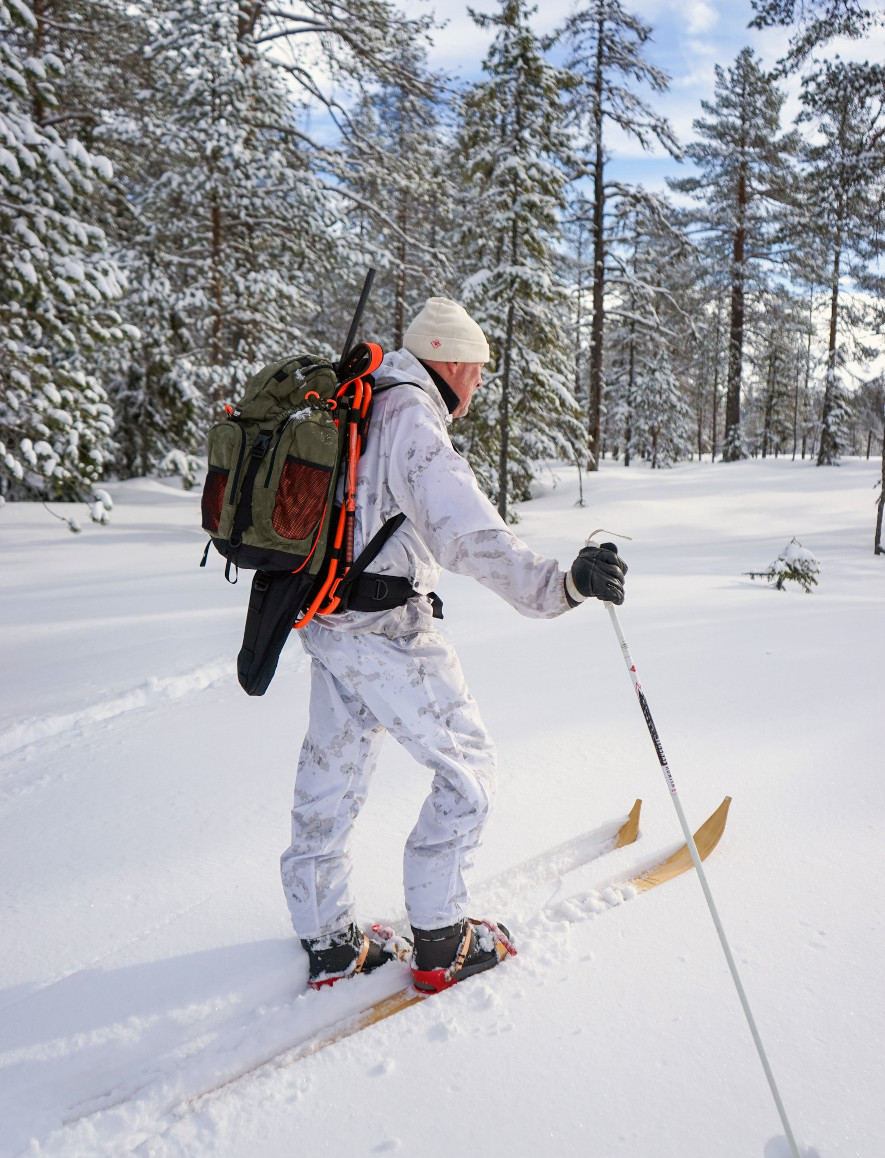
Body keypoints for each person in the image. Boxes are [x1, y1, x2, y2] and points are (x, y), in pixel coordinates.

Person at [280, 297, 627, 993]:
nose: (477, 387)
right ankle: (441, 941)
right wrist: (559, 586)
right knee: (468, 773)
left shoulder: (363, 399)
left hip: (327, 622)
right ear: (456, 361)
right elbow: (466, 531)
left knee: (333, 774)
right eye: (478, 372)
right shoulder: (411, 417)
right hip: (387, 633)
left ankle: (327, 939)